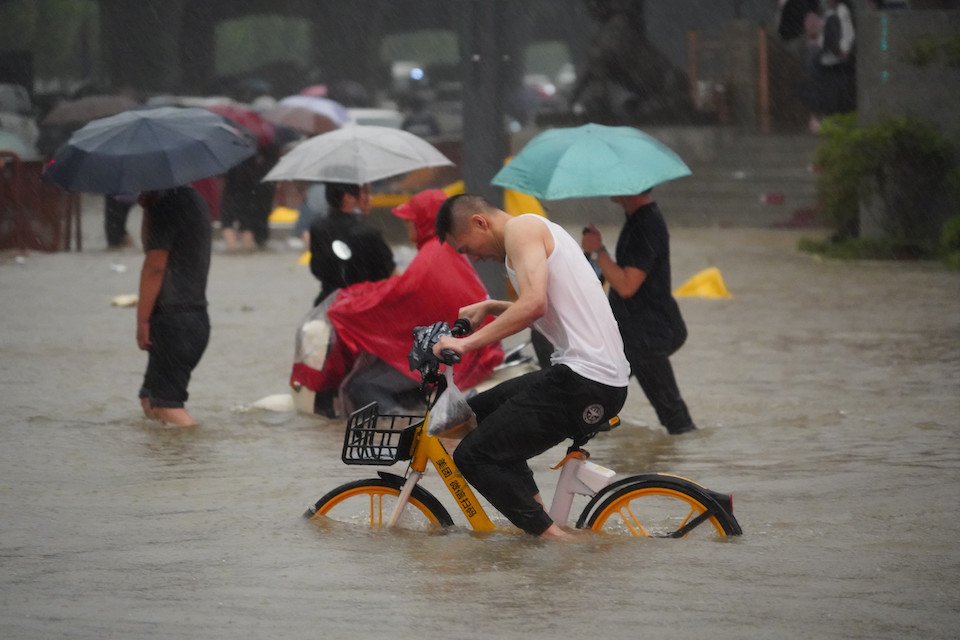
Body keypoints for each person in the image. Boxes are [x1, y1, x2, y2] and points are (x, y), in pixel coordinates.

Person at [431, 194, 629, 540]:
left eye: (467, 249)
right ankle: (536, 524)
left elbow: (534, 305)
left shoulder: (522, 229)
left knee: (473, 456)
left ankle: (555, 541)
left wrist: (464, 344)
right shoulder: (529, 235)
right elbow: (553, 307)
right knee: (474, 414)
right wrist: (493, 306)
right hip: (580, 375)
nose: (474, 258)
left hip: (586, 380)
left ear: (480, 222)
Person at [292, 189, 504, 416]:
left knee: (361, 386)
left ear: (424, 220)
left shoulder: (431, 256)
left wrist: (351, 301)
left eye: (411, 223)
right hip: (471, 347)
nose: (410, 232)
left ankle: (402, 427)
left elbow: (399, 295)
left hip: (459, 353)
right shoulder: (444, 251)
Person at [581, 189, 696, 436]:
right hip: (633, 333)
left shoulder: (647, 224)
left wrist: (599, 250)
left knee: (675, 419)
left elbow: (626, 285)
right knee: (594, 402)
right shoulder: (637, 220)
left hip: (647, 335)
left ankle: (688, 467)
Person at [136, 186, 212, 427]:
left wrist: (142, 320)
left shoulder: (167, 203)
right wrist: (148, 210)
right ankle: (166, 463)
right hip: (190, 319)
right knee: (149, 400)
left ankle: (194, 459)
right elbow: (151, 246)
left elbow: (155, 265)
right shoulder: (191, 198)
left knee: (165, 405)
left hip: (175, 321)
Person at [307, 182, 395, 307]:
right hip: (364, 306)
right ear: (348, 198)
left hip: (328, 303)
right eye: (365, 193)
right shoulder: (368, 233)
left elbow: (317, 269)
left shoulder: (317, 227)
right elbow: (390, 275)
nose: (370, 198)